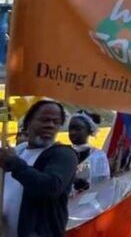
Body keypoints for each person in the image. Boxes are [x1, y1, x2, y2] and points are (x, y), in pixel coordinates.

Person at [0, 100, 78, 237]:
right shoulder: (18, 151)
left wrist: (14, 164)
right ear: (28, 123)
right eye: (44, 120)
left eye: (56, 122)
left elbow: (51, 186)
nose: (50, 125)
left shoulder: (63, 154)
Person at [68, 110, 110, 193]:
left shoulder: (98, 156)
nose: (72, 133)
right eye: (70, 129)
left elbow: (102, 184)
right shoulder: (64, 153)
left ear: (89, 131)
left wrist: (86, 187)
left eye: (78, 129)